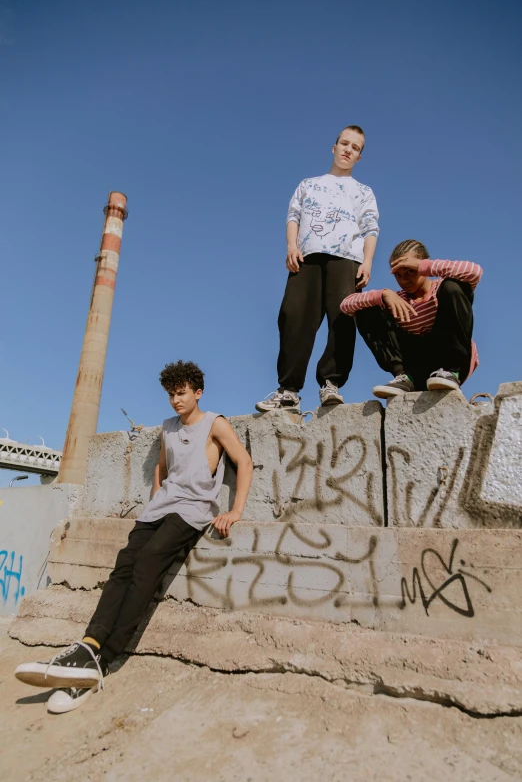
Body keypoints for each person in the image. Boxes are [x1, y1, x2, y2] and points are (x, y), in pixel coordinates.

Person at [15, 360, 253, 713]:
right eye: (171, 394)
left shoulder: (215, 423)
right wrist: (156, 497)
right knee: (123, 566)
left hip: (192, 511)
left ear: (198, 392)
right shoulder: (167, 428)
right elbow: (161, 466)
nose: (175, 400)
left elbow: (243, 462)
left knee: (147, 564)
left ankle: (105, 660)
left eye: (182, 393)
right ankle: (89, 646)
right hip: (159, 509)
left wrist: (234, 511)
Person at [255, 125, 379, 413]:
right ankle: (288, 391)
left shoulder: (363, 192)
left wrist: (368, 261)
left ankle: (330, 384)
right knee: (293, 316)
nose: (348, 150)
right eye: (344, 144)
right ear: (334, 148)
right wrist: (291, 246)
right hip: (307, 257)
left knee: (342, 319)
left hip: (346, 258)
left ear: (359, 157)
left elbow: (371, 228)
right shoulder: (308, 184)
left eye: (356, 147)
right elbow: (293, 216)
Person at [340, 239, 483, 399]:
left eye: (410, 271)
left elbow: (475, 271)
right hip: (416, 368)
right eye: (398, 275)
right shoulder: (397, 300)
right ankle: (403, 377)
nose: (404, 280)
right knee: (367, 309)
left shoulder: (440, 289)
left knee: (453, 286)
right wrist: (384, 294)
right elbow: (346, 305)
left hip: (449, 363)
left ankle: (452, 371)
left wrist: (424, 266)